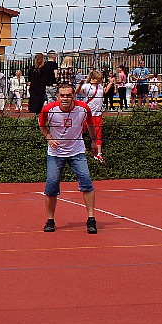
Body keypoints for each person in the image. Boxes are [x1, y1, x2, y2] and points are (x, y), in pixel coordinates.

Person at [39, 83, 101, 234]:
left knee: (86, 181)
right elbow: (41, 124)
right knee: (51, 185)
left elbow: (91, 124)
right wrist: (48, 137)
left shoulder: (83, 108)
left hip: (77, 151)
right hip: (55, 153)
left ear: (74, 95)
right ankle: (50, 220)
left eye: (68, 95)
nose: (65, 98)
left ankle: (91, 219)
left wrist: (94, 141)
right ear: (58, 96)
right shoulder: (49, 109)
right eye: (62, 95)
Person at [77, 70, 105, 163]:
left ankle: (98, 154)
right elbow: (77, 92)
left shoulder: (100, 86)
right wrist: (80, 85)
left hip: (97, 114)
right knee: (80, 132)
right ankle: (81, 151)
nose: (98, 81)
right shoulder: (87, 86)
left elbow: (103, 93)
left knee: (98, 134)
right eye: (97, 79)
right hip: (86, 114)